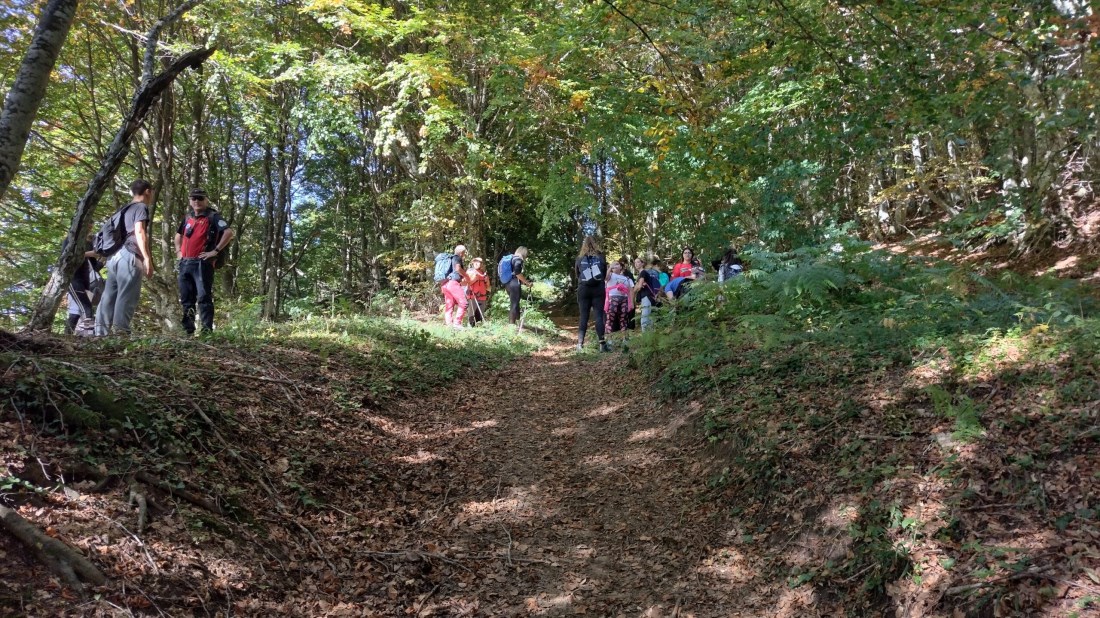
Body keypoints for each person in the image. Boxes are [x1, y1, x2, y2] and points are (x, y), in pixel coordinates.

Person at [95, 179, 155, 336]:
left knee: (108, 297)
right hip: (129, 256)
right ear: (147, 191)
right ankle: (120, 335)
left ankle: (100, 334)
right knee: (127, 296)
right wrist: (147, 258)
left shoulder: (123, 209)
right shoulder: (141, 207)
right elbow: (139, 231)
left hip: (113, 258)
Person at [174, 188, 234, 335]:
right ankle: (188, 331)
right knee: (186, 298)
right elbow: (178, 236)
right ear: (190, 201)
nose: (197, 201)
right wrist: (178, 252)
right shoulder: (188, 217)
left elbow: (228, 232)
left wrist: (215, 251)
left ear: (206, 200)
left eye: (200, 198)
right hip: (185, 262)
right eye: (194, 198)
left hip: (202, 263)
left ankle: (206, 331)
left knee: (203, 297)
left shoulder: (213, 217)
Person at [575, 235, 609, 352]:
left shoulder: (579, 258)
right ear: (595, 244)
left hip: (583, 289)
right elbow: (604, 275)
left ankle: (580, 344)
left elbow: (577, 275)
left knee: (583, 316)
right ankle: (602, 344)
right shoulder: (600, 257)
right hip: (598, 289)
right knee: (599, 316)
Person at [64, 235, 103, 335]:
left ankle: (67, 336)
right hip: (74, 280)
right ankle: (87, 335)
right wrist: (87, 254)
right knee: (87, 308)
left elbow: (95, 266)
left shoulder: (89, 244)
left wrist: (103, 258)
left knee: (76, 313)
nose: (90, 226)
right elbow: (68, 257)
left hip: (86, 283)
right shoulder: (70, 240)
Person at [604, 261, 634, 346]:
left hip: (624, 299)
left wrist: (631, 302)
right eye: (613, 264)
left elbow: (630, 290)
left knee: (623, 318)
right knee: (610, 318)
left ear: (621, 267)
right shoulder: (610, 275)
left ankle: (624, 338)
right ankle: (609, 339)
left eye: (617, 264)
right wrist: (609, 268)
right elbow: (605, 277)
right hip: (613, 298)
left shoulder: (626, 278)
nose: (614, 265)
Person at [441, 244, 469, 328]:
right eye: (464, 253)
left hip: (445, 284)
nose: (464, 255)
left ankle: (449, 325)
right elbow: (458, 269)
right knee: (464, 303)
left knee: (449, 305)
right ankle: (457, 324)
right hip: (453, 283)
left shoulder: (449, 259)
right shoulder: (457, 257)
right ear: (462, 252)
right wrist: (466, 276)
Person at [503, 247, 533, 326]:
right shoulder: (518, 260)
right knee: (514, 304)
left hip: (507, 283)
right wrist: (526, 282)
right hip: (514, 283)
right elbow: (517, 273)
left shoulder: (512, 258)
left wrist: (523, 282)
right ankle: (512, 324)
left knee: (514, 303)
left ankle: (516, 322)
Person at [633, 256, 663, 332]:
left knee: (644, 318)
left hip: (646, 297)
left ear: (642, 263)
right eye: (635, 262)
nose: (636, 264)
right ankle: (651, 337)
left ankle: (645, 338)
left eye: (638, 262)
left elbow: (639, 286)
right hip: (649, 297)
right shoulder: (642, 273)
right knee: (649, 318)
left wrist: (635, 289)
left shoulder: (643, 272)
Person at [466, 257, 491, 327]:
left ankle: (478, 328)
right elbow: (466, 283)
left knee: (479, 314)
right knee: (471, 313)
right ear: (473, 263)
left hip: (482, 296)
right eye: (475, 262)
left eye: (479, 262)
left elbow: (488, 286)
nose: (477, 263)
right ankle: (470, 326)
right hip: (473, 296)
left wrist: (487, 280)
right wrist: (474, 279)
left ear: (481, 264)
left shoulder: (483, 273)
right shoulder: (469, 272)